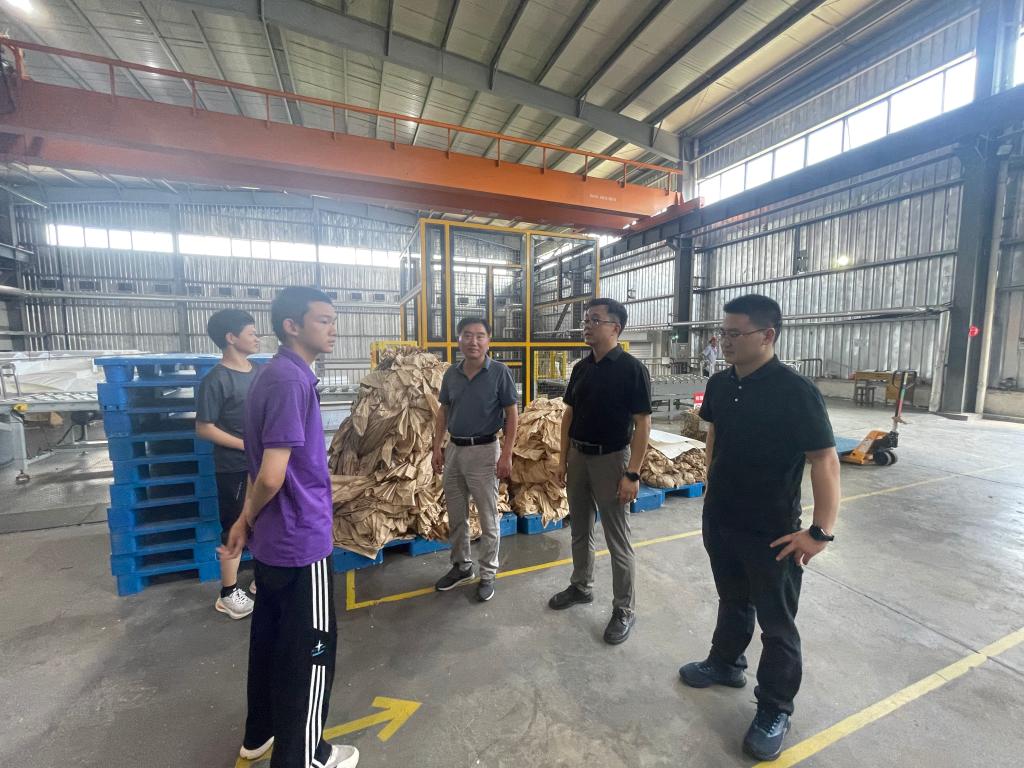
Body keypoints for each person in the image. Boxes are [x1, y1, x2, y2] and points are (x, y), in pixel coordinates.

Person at [678, 294, 840, 762]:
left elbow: (825, 460)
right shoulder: (720, 382)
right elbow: (714, 433)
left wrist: (820, 531)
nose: (724, 341)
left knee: (777, 623)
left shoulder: (795, 391)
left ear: (767, 335)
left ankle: (774, 708)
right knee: (732, 598)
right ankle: (725, 663)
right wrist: (711, 483)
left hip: (771, 528)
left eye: (735, 334)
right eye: (722, 332)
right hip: (722, 517)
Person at [220, 287, 358, 768]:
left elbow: (263, 466)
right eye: (323, 320)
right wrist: (246, 517)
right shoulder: (290, 381)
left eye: (333, 319)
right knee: (311, 653)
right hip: (301, 539)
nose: (333, 328)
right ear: (291, 326)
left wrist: (247, 521)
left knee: (272, 640)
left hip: (275, 540)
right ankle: (305, 755)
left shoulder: (271, 374)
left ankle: (259, 734)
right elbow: (272, 474)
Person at [548, 297, 652, 645]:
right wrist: (562, 459)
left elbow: (642, 423)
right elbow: (569, 415)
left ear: (615, 328)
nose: (587, 326)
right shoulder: (581, 368)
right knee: (579, 528)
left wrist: (632, 473)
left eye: (595, 320)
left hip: (612, 460)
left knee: (616, 537)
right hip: (579, 456)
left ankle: (624, 608)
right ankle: (581, 586)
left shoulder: (632, 369)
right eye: (586, 320)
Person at [431, 317, 519, 602]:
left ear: (488, 341)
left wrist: (506, 453)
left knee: (488, 517)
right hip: (454, 450)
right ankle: (461, 566)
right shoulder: (451, 374)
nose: (473, 341)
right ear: (459, 339)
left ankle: (488, 574)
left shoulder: (499, 373)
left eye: (480, 335)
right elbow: (443, 411)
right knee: (456, 515)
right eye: (467, 335)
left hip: (484, 451)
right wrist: (437, 447)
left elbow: (512, 414)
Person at [197, 309, 260, 620]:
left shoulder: (259, 372)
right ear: (231, 338)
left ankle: (262, 578)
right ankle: (228, 592)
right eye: (251, 333)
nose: (257, 338)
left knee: (264, 521)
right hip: (234, 467)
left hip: (263, 465)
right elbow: (204, 428)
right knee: (236, 525)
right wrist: (246, 445)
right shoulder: (216, 379)